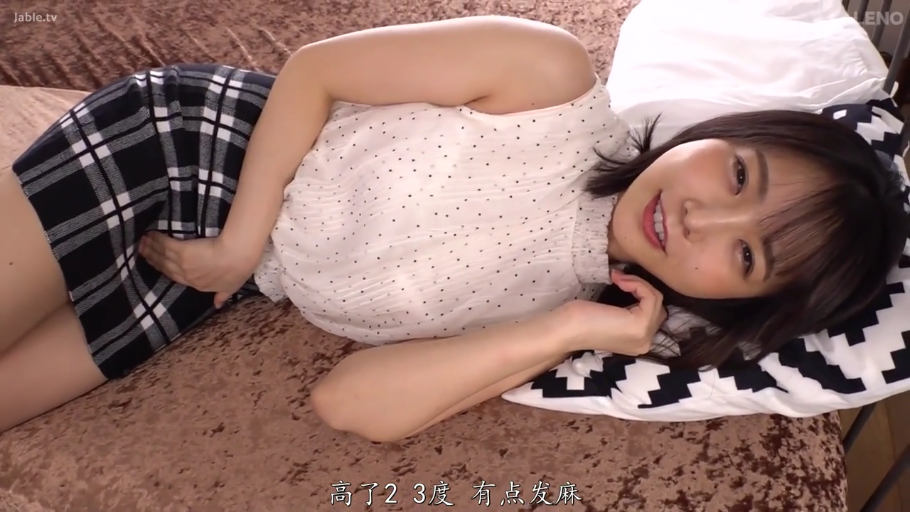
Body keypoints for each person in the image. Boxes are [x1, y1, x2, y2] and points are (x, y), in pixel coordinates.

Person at [0, 16, 906, 442]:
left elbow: (349, 403)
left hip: (228, 281)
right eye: (739, 174)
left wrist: (569, 328)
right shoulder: (549, 78)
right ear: (727, 132)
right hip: (195, 145)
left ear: (737, 303)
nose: (703, 215)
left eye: (746, 252)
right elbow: (312, 72)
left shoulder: (568, 316)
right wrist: (238, 241)